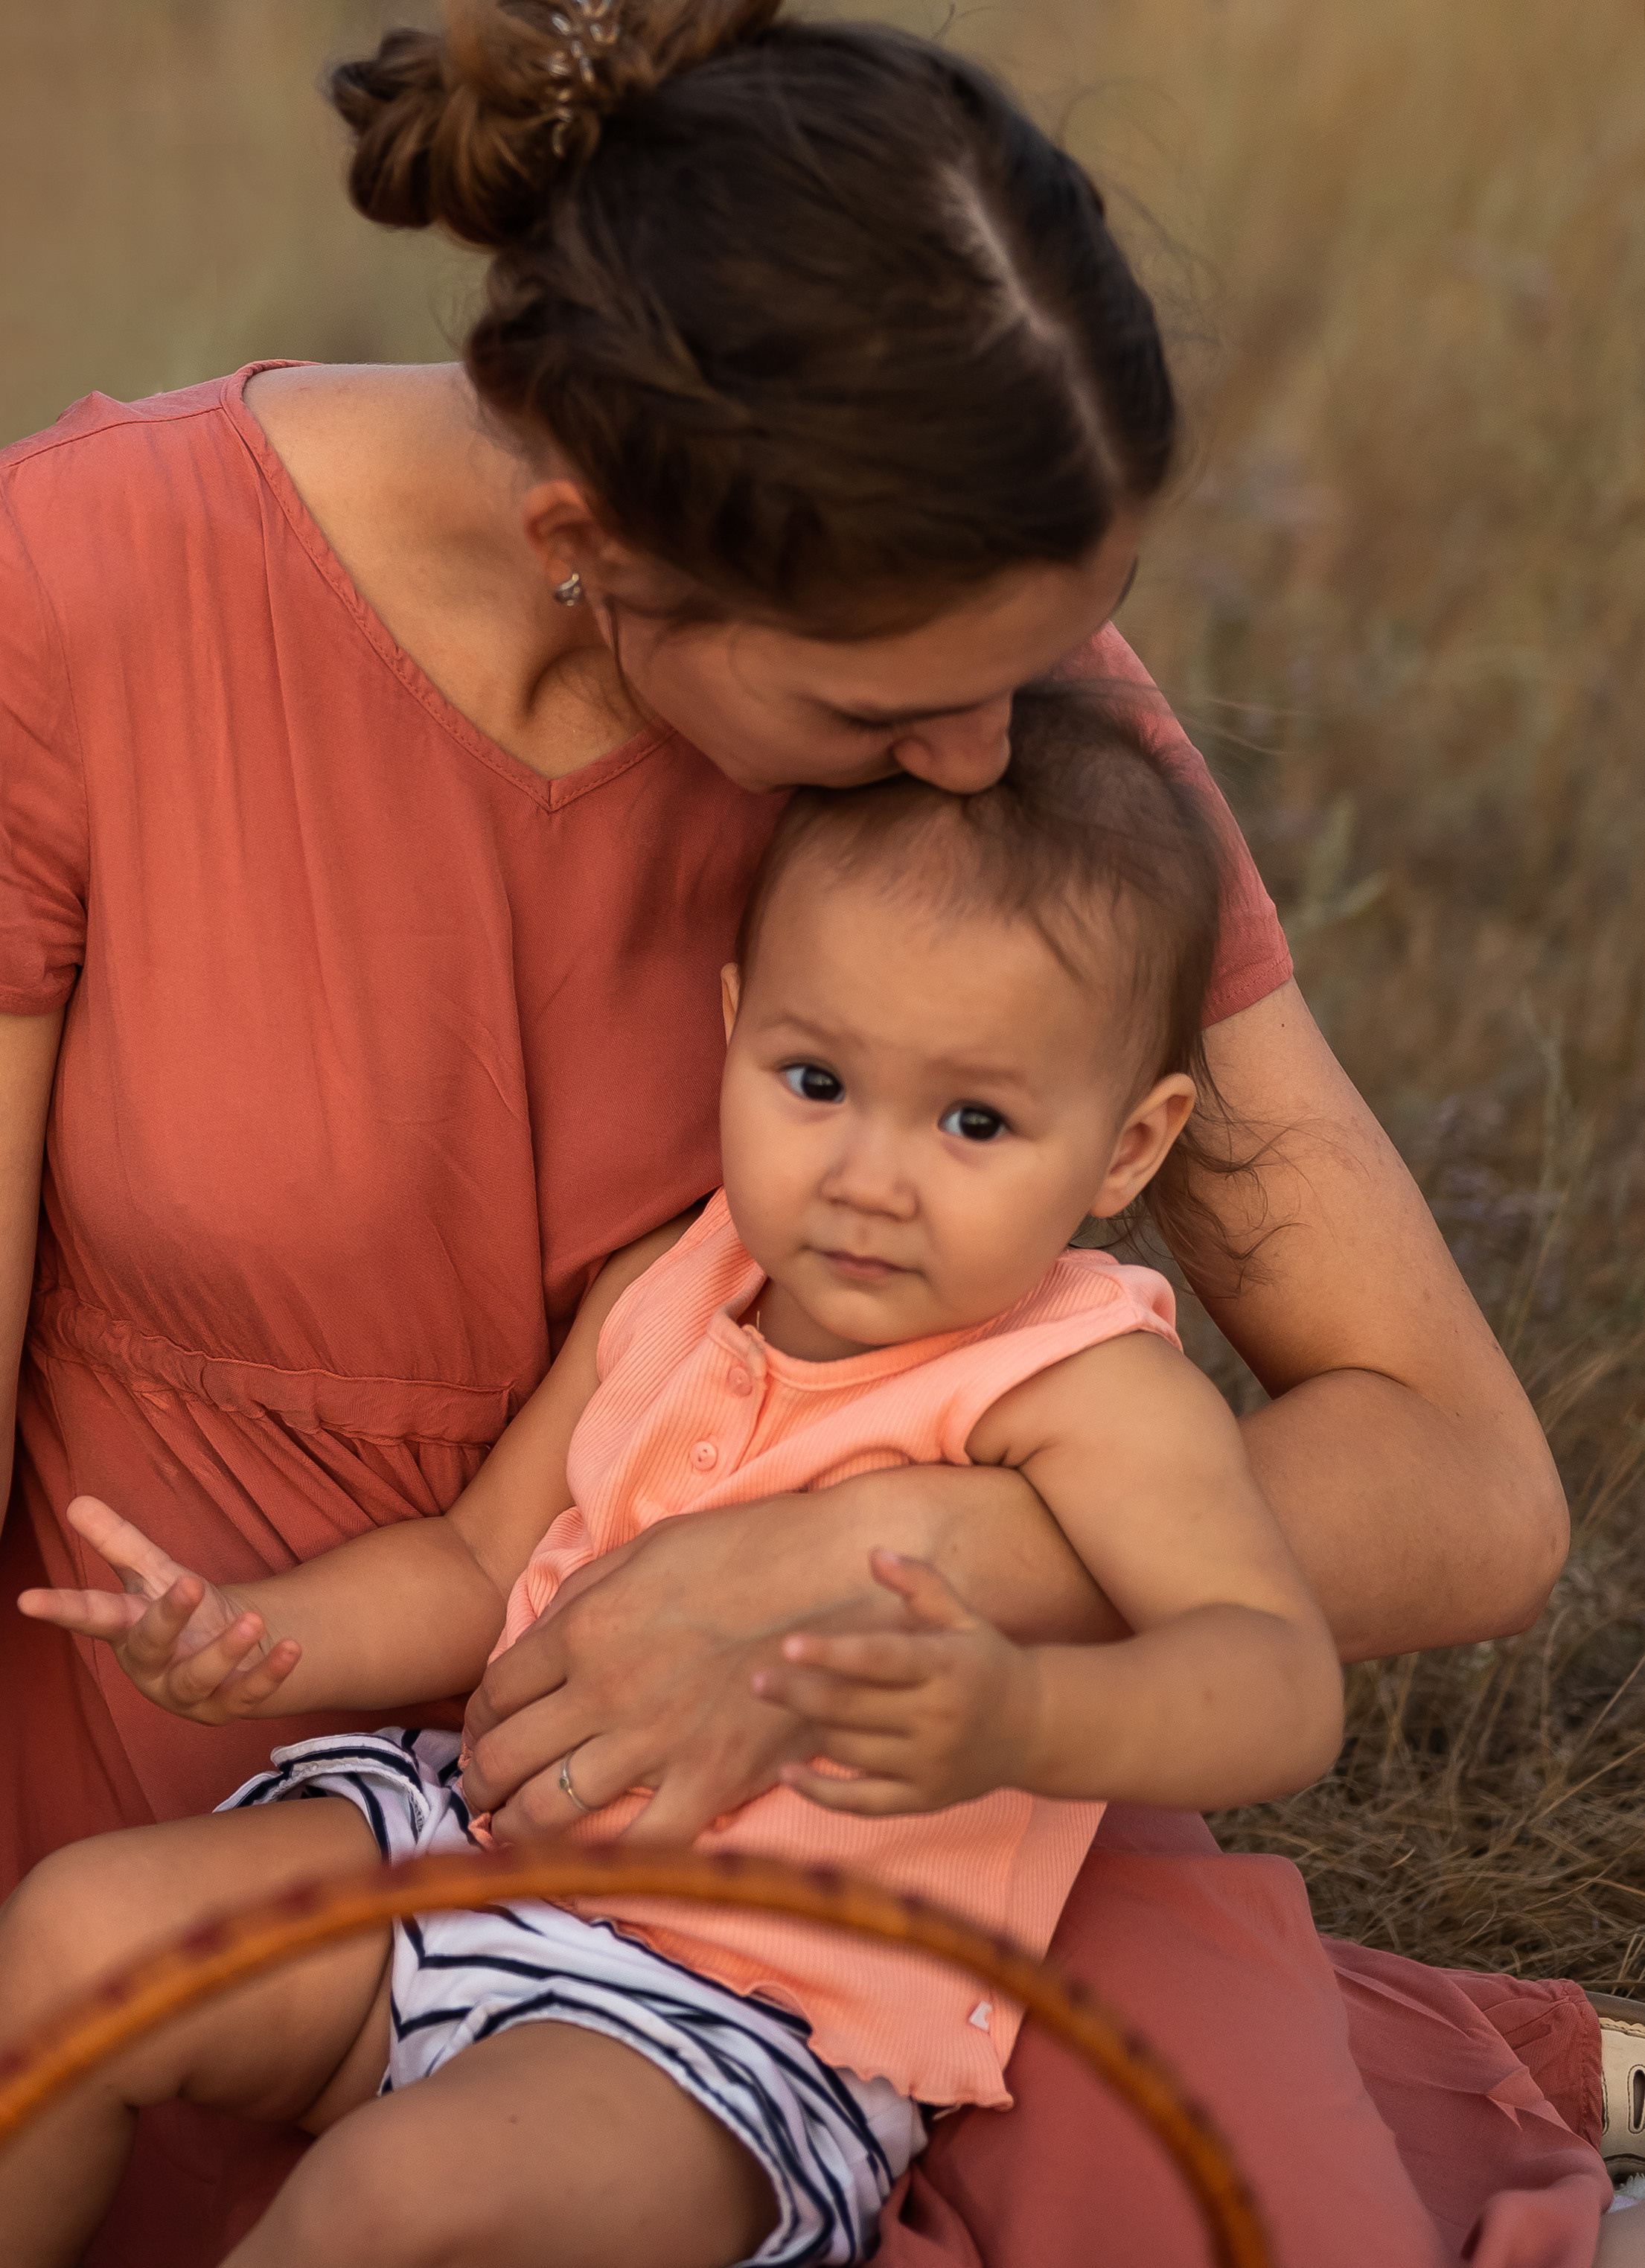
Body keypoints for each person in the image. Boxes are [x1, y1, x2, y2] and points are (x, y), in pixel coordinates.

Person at [0, 2, 1617, 2263]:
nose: (980, 759)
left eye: (1045, 666)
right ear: (593, 540)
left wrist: (855, 1569)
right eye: (882, 714)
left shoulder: (987, 686)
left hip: (856, 1832)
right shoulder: (76, 598)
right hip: (286, 1760)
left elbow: (1461, 1482)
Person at [4, 693, 1360, 2266]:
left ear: (1127, 1150)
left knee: (397, 2206)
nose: (867, 1175)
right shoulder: (683, 1277)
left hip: (743, 2017)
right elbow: (468, 1567)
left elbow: (1275, 1684)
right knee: (78, 1939)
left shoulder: (1081, 1388)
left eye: (974, 1120)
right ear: (735, 1023)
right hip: (459, 1847)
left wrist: (1026, 1718)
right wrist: (250, 1639)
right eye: (814, 1082)